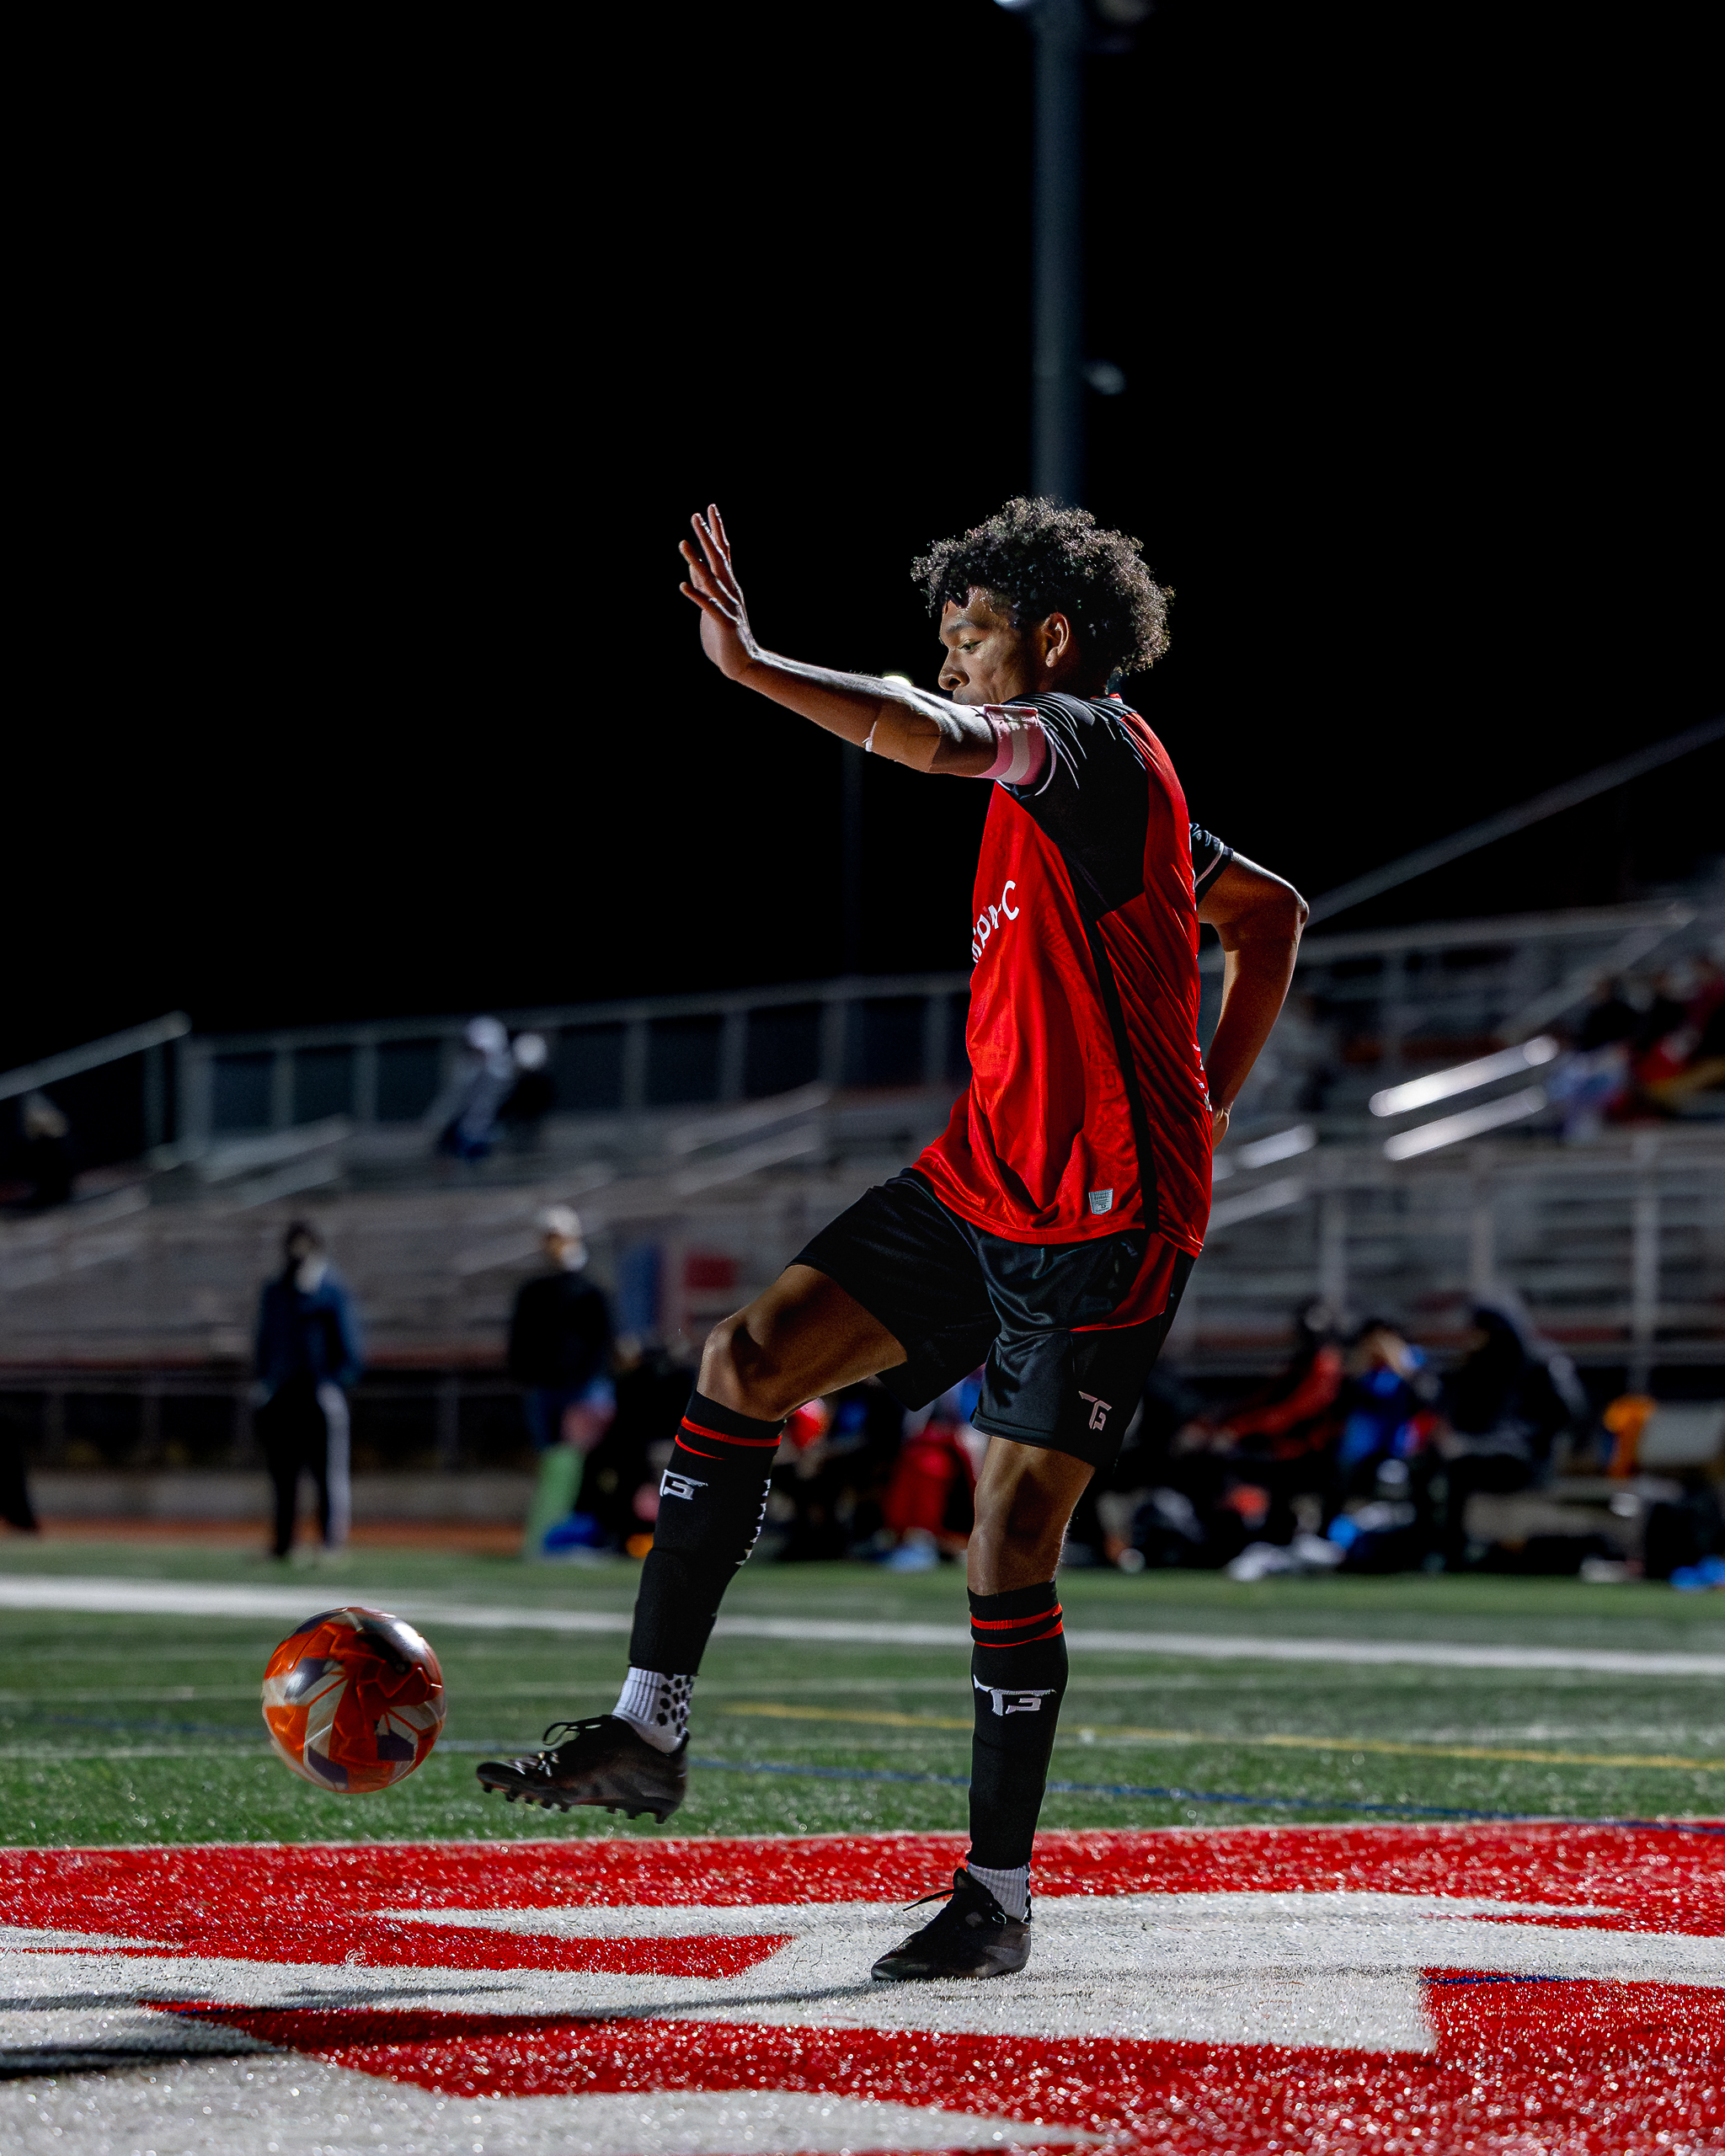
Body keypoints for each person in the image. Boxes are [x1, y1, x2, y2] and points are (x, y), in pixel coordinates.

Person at [477, 498, 1305, 1982]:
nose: (952, 661)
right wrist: (1212, 1086)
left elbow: (934, 737)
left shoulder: (1084, 742)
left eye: (968, 635)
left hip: (1105, 1217)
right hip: (984, 1174)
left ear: (1049, 640)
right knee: (744, 1359)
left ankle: (993, 1898)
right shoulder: (1101, 798)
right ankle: (647, 1729)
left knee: (1004, 1538)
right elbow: (1265, 912)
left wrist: (748, 666)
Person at [508, 1207, 616, 1556]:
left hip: (582, 1388)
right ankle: (549, 1534)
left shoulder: (591, 1289)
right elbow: (520, 1339)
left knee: (581, 1464)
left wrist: (587, 1377)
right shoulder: (534, 1290)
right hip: (546, 1388)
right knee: (554, 1463)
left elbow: (603, 1339)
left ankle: (574, 1535)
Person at [254, 1222, 363, 1559]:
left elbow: (349, 1346)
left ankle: (330, 1543)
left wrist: (335, 1380)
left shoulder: (330, 1290)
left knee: (327, 1475)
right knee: (283, 1476)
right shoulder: (276, 1290)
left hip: (318, 1393)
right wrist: (264, 1381)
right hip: (283, 1394)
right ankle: (284, 1544)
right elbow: (265, 1340)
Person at [435, 1017, 515, 1161]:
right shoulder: (468, 1073)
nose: (480, 1055)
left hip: (487, 1136)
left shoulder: (501, 1074)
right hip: (465, 1136)